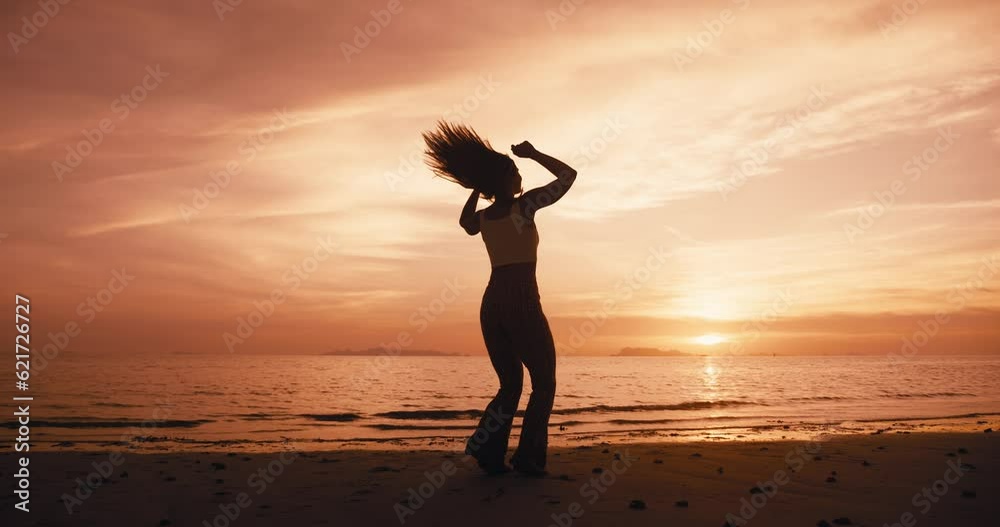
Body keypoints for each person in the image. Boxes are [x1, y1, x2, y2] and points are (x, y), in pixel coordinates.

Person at [422, 121, 577, 476]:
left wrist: (479, 187)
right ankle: (528, 459)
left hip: (492, 303)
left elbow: (465, 223)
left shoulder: (485, 217)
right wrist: (533, 154)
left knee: (510, 384)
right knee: (544, 382)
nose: (520, 174)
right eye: (515, 170)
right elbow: (568, 176)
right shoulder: (525, 207)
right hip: (521, 300)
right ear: (506, 180)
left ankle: (489, 453)